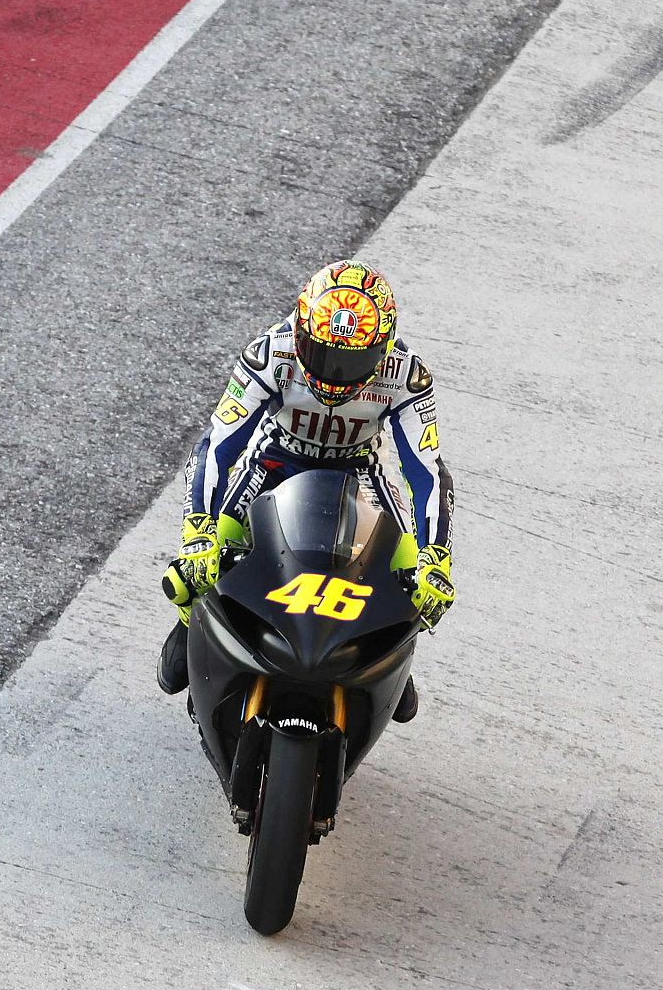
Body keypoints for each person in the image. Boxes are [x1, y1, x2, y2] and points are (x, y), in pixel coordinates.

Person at [156, 260, 455, 721]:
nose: (334, 373)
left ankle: (390, 651)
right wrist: (198, 532)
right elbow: (216, 445)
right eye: (321, 354)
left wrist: (437, 560)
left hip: (358, 469)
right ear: (300, 334)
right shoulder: (269, 353)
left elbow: (426, 470)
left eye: (352, 361)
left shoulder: (407, 375)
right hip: (277, 460)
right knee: (204, 556)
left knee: (406, 561)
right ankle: (189, 622)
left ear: (383, 349)